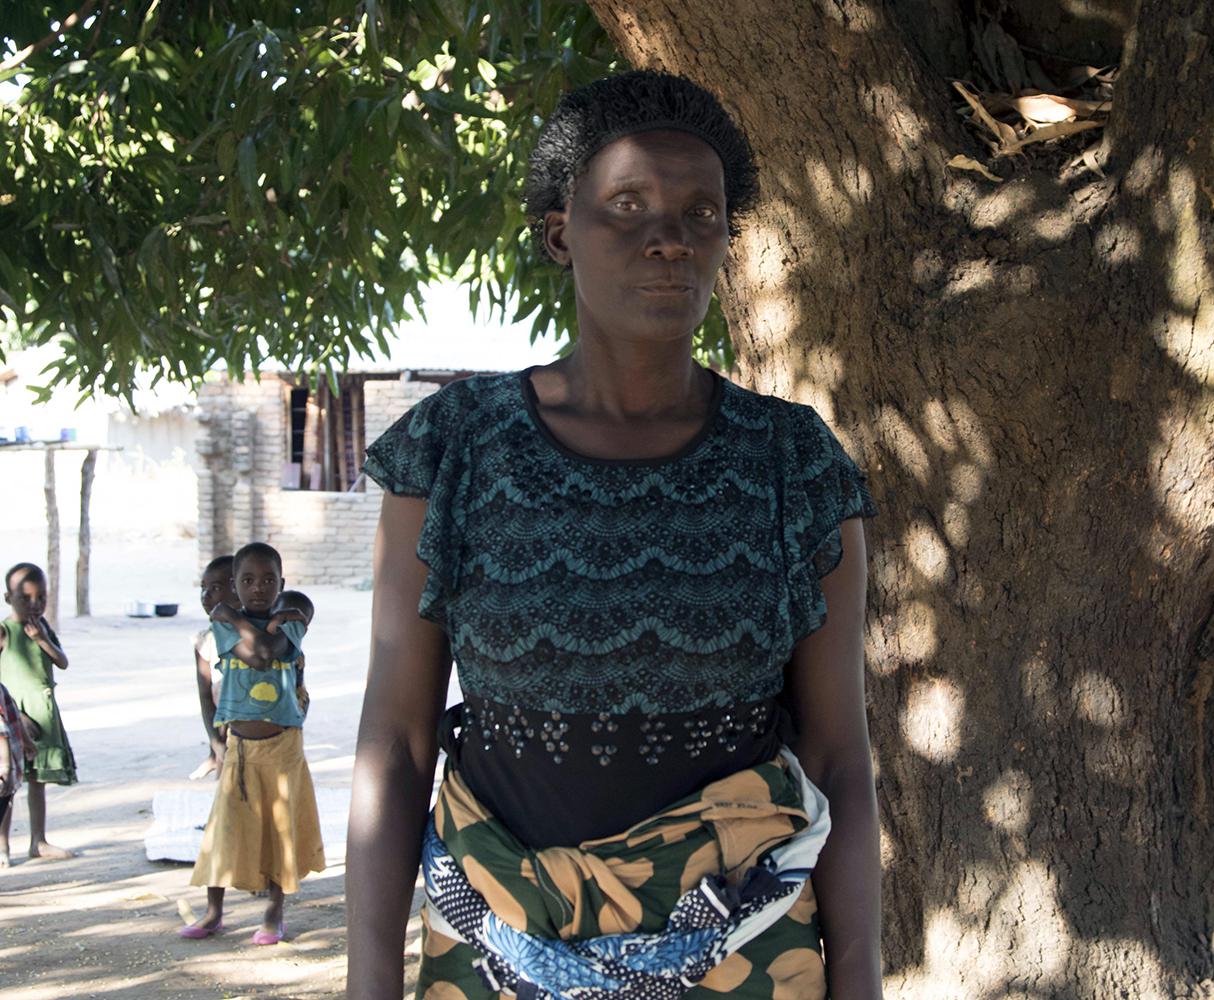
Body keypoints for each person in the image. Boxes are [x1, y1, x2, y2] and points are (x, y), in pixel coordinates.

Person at [348, 71, 881, 999]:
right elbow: (395, 743)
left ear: (724, 241)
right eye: (626, 206)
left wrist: (861, 980)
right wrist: (368, 986)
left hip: (745, 949)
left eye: (699, 213)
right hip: (496, 942)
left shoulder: (793, 464)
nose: (668, 236)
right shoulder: (454, 450)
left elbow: (838, 756)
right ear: (562, 233)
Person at [178, 542, 324, 944]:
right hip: (241, 746)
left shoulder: (289, 622)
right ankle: (213, 913)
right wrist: (232, 618)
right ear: (234, 585)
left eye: (267, 580)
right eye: (246, 580)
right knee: (225, 829)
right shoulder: (221, 629)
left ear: (281, 583)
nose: (257, 587)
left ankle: (274, 915)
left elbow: (264, 654)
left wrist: (233, 616)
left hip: (283, 746)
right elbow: (253, 650)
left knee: (280, 831)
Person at [0, 562, 77, 861]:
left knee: (37, 781)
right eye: (26, 598)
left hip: (43, 714)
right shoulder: (5, 631)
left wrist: (42, 640)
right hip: (13, 717)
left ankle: (38, 841)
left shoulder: (43, 628)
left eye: (42, 598)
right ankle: (3, 845)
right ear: (8, 598)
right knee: (7, 783)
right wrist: (16, 718)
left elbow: (62, 662)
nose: (35, 605)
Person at [189, 555, 234, 781]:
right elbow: (205, 697)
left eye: (215, 588)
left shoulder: (257, 638)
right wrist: (216, 743)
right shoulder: (204, 641)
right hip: (222, 726)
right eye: (203, 588)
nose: (205, 596)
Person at [0, 679, 38, 867]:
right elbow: (2, 729)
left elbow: (11, 715)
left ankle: (3, 848)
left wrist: (28, 744)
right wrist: (6, 767)